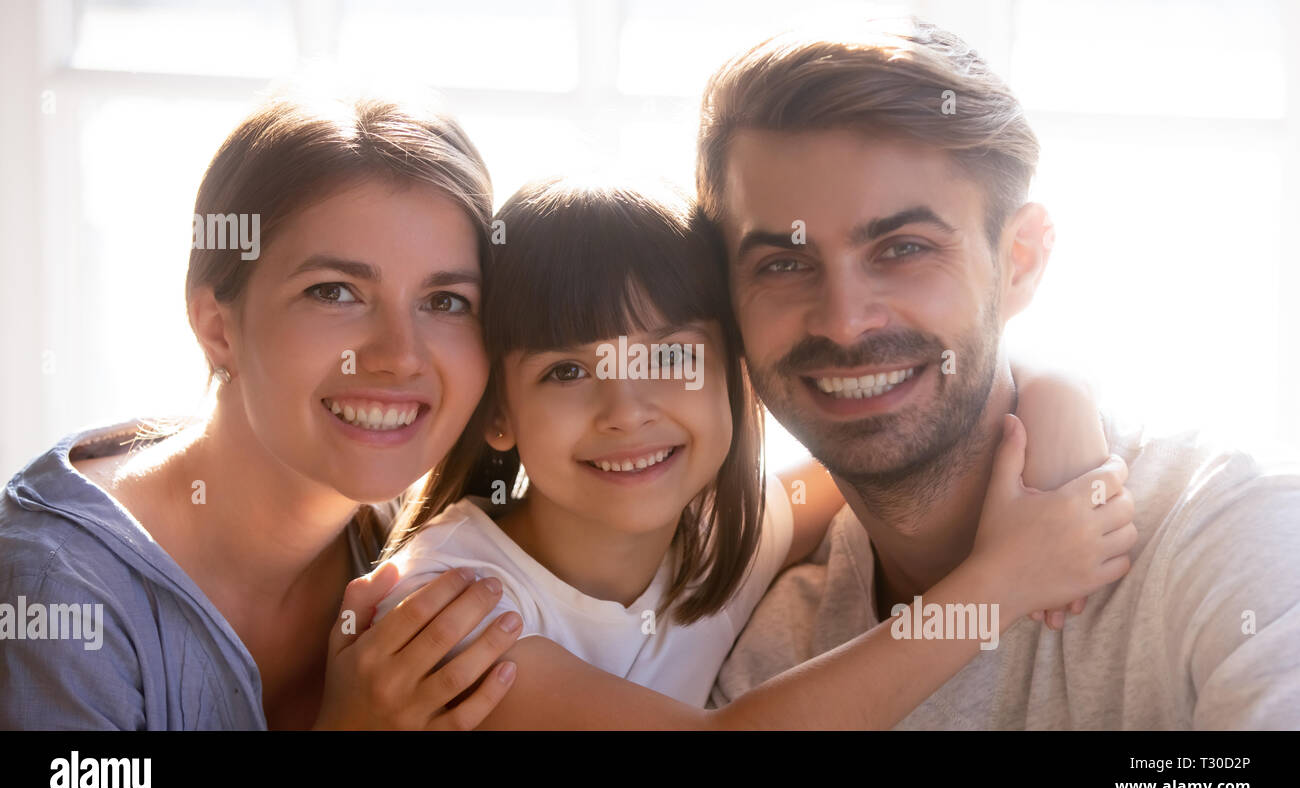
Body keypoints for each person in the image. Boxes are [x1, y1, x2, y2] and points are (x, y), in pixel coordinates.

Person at [699, 19, 1300, 728]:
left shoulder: (1230, 534)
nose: (844, 320)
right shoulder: (770, 659)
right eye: (784, 264)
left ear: (1019, 262)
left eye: (903, 248)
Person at [371, 177, 1136, 729]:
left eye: (671, 358)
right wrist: (998, 584)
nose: (626, 412)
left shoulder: (723, 539)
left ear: (736, 375)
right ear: (497, 412)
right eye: (567, 372)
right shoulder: (451, 604)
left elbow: (915, 420)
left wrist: (1059, 397)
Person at [0, 92, 522, 730]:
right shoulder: (54, 591)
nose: (400, 356)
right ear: (218, 325)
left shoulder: (437, 554)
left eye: (445, 301)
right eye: (334, 292)